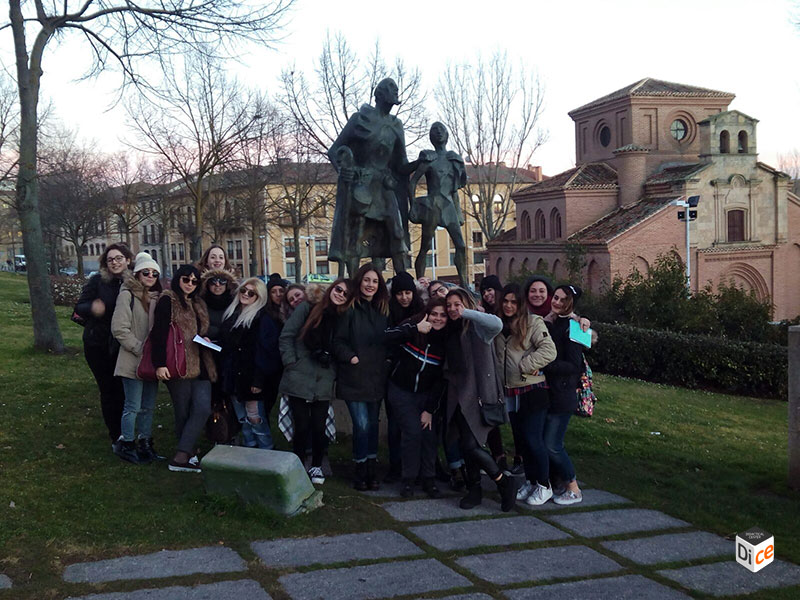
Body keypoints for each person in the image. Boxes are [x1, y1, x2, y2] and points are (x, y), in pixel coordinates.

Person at [327, 78, 415, 275]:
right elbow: (334, 151)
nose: (394, 97)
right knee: (355, 236)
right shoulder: (359, 119)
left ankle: (403, 284)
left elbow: (401, 164)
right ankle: (353, 285)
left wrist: (420, 163)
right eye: (391, 93)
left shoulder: (396, 125)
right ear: (380, 95)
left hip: (384, 187)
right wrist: (343, 169)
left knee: (398, 233)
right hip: (362, 185)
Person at [443, 288, 519, 511]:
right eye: (449, 306)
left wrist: (467, 312)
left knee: (470, 444)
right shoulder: (450, 329)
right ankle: (474, 489)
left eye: (456, 304)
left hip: (477, 395)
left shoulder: (478, 328)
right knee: (465, 445)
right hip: (456, 394)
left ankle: (503, 481)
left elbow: (496, 324)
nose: (452, 309)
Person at [279, 279, 354, 484]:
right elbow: (287, 335)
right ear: (332, 288)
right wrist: (291, 362)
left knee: (319, 425)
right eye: (338, 289)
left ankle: (317, 466)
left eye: (345, 294)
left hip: (324, 374)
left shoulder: (343, 317)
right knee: (301, 426)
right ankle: (298, 464)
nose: (340, 294)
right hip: (300, 374)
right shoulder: (308, 307)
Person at [493, 283, 558, 505]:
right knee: (521, 441)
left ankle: (544, 484)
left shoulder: (532, 322)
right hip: (511, 392)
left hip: (532, 390)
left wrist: (525, 364)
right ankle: (530, 480)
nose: (509, 305)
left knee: (533, 439)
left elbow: (549, 350)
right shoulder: (500, 325)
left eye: (514, 302)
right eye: (506, 301)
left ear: (521, 304)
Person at [150, 265, 217, 472]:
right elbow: (158, 333)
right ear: (178, 279)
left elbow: (202, 329)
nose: (190, 284)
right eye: (186, 280)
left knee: (203, 407)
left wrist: (206, 338)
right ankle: (187, 454)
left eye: (194, 281)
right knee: (183, 410)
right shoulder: (168, 300)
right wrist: (159, 364)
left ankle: (182, 454)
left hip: (202, 362)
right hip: (178, 364)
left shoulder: (198, 303)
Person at [384, 297, 449, 498]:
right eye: (434, 314)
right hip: (401, 390)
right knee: (412, 432)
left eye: (443, 315)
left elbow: (441, 379)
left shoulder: (446, 341)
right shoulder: (412, 326)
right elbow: (387, 336)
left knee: (428, 433)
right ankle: (408, 479)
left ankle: (429, 479)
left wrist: (429, 410)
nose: (438, 319)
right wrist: (414, 329)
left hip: (426, 394)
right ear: (427, 313)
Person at [333, 263, 391, 490]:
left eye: (375, 281)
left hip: (376, 377)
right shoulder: (350, 309)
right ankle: (359, 469)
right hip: (354, 376)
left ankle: (371, 469)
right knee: (362, 424)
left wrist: (386, 361)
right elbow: (338, 341)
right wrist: (351, 357)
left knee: (373, 425)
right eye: (367, 280)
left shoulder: (383, 310)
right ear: (359, 282)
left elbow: (390, 338)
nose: (370, 285)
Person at [74, 243, 134, 447]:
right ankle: (116, 433)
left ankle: (129, 430)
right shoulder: (98, 281)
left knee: (126, 390)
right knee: (109, 389)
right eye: (110, 259)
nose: (115, 262)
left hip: (124, 344)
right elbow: (80, 306)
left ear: (127, 260)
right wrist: (92, 307)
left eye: (119, 258)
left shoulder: (135, 281)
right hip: (99, 344)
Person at [110, 252, 164, 464]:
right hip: (133, 359)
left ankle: (145, 443)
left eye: (154, 273)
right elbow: (119, 328)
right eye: (146, 272)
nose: (150, 276)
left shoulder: (157, 298)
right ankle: (127, 443)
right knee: (132, 405)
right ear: (138, 273)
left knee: (148, 406)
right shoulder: (127, 295)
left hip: (152, 362)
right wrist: (141, 349)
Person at [220, 278, 280, 450]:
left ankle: (267, 453)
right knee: (243, 419)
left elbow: (267, 351)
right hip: (233, 376)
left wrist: (258, 380)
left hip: (252, 377)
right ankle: (250, 452)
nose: (245, 294)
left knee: (256, 420)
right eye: (243, 290)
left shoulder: (263, 319)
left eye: (251, 293)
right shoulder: (232, 314)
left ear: (259, 297)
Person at [409, 122, 468, 285]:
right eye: (435, 130)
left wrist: (459, 213)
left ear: (447, 135)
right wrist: (412, 205)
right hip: (432, 205)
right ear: (431, 136)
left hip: (448, 206)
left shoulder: (453, 158)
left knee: (461, 246)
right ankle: (420, 283)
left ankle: (464, 284)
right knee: (425, 247)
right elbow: (412, 182)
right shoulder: (429, 158)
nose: (439, 133)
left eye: (442, 130)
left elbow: (455, 189)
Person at [542, 285, 585, 505]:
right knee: (545, 441)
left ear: (571, 303)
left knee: (552, 444)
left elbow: (574, 365)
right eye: (555, 297)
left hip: (563, 393)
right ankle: (552, 483)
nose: (556, 302)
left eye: (562, 300)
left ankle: (573, 487)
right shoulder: (552, 321)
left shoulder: (573, 326)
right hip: (548, 392)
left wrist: (546, 365)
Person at [384, 271, 425, 482]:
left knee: (421, 426)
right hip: (395, 373)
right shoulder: (389, 312)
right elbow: (385, 337)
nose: (404, 297)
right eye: (400, 293)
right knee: (394, 425)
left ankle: (421, 468)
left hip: (419, 373)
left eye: (408, 292)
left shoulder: (422, 310)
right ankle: (395, 465)